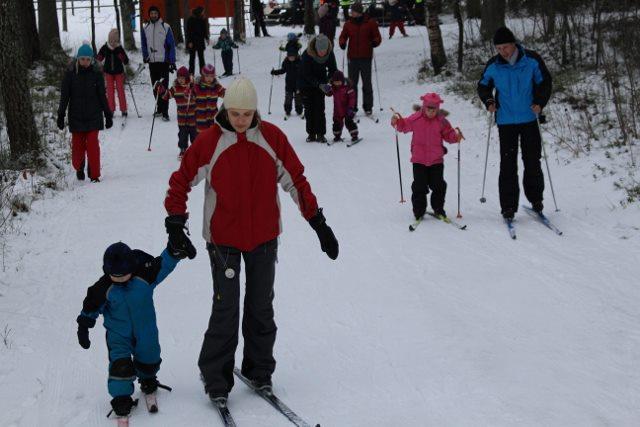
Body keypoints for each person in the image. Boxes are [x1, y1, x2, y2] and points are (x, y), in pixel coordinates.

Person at [163, 77, 339, 405]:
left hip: (263, 238)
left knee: (261, 307)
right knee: (225, 308)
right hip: (223, 240)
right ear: (225, 110)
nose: (240, 120)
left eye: (246, 114)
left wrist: (318, 222)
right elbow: (182, 179)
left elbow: (296, 180)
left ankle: (260, 371)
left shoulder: (271, 137)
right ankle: (216, 377)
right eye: (235, 114)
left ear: (255, 111)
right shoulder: (209, 141)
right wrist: (175, 221)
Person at [75, 241, 189, 418]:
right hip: (118, 335)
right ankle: (121, 398)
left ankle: (148, 379)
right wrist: (84, 326)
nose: (119, 280)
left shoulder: (144, 275)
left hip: (146, 330)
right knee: (120, 366)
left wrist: (175, 250)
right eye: (115, 277)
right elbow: (90, 307)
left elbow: (163, 265)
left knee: (149, 358)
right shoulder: (103, 288)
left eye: (123, 276)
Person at [477, 26, 552, 220]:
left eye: (505, 47)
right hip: (506, 121)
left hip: (529, 118)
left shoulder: (531, 60)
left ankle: (536, 200)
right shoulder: (494, 65)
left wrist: (540, 103)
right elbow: (483, 86)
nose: (503, 51)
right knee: (508, 164)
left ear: (513, 44)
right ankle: (508, 206)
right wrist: (489, 101)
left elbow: (545, 82)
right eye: (499, 48)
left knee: (532, 161)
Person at [391, 93, 462, 219]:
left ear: (437, 109)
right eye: (428, 108)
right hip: (419, 160)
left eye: (434, 109)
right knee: (419, 186)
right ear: (424, 107)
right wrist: (398, 122)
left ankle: (438, 208)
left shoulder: (442, 121)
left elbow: (448, 134)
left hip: (436, 160)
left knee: (439, 185)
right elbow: (405, 125)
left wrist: (455, 136)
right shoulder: (416, 118)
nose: (431, 111)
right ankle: (419, 210)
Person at [57, 43, 112, 183]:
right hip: (76, 117)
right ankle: (79, 166)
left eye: (88, 59)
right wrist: (61, 115)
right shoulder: (70, 75)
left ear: (92, 60)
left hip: (94, 116)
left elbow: (102, 95)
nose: (85, 62)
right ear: (77, 59)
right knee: (77, 148)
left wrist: (108, 114)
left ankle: (94, 174)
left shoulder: (97, 74)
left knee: (93, 146)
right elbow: (64, 96)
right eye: (82, 59)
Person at [338, 2, 382, 116]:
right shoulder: (348, 24)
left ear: (359, 12)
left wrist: (375, 42)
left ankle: (368, 107)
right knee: (352, 84)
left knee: (367, 83)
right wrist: (342, 43)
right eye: (351, 11)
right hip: (352, 58)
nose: (351, 13)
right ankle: (352, 107)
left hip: (366, 57)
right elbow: (343, 36)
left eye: (353, 11)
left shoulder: (370, 23)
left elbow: (377, 36)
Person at [298, 34, 338, 142]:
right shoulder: (307, 54)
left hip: (321, 84)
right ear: (316, 48)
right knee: (309, 109)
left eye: (324, 50)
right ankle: (311, 133)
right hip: (306, 84)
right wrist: (319, 84)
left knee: (320, 109)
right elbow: (306, 74)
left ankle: (320, 133)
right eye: (320, 51)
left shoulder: (329, 53)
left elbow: (333, 69)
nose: (322, 53)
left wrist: (330, 80)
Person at [141, 6, 177, 121]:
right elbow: (144, 44)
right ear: (149, 15)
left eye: (155, 13)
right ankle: (159, 109)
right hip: (152, 62)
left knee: (164, 87)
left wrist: (171, 61)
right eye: (151, 13)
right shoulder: (145, 28)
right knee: (155, 86)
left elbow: (171, 45)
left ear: (158, 14)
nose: (153, 15)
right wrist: (145, 56)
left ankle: (165, 112)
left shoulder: (165, 27)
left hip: (163, 62)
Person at [160, 66, 197, 158]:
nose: (180, 80)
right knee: (182, 136)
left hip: (193, 118)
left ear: (187, 78)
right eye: (179, 78)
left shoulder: (192, 87)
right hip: (182, 119)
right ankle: (183, 150)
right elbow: (166, 96)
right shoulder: (175, 88)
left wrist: (194, 89)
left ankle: (196, 150)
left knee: (195, 136)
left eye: (183, 78)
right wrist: (161, 91)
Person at [97, 29, 130, 118]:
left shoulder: (119, 49)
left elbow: (126, 61)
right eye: (111, 40)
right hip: (108, 73)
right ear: (109, 39)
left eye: (115, 41)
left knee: (120, 91)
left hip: (119, 73)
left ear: (118, 41)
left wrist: (121, 56)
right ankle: (111, 110)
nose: (113, 43)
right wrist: (99, 57)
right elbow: (99, 58)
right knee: (110, 91)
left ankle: (124, 110)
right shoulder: (105, 47)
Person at [270, 44, 303, 117]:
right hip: (289, 84)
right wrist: (274, 72)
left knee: (298, 98)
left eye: (292, 57)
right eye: (289, 57)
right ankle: (287, 110)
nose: (291, 58)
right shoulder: (286, 62)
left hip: (298, 84)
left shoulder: (300, 62)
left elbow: (304, 71)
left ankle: (299, 110)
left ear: (296, 55)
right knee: (288, 97)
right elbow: (283, 70)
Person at [327, 70, 359, 142]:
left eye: (339, 82)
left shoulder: (348, 87)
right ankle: (337, 135)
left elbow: (352, 98)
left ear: (342, 80)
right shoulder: (333, 87)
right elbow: (328, 93)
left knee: (349, 122)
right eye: (336, 82)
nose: (337, 84)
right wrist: (326, 87)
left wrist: (351, 107)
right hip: (337, 110)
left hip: (348, 109)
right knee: (336, 123)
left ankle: (354, 135)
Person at [194, 64, 226, 133]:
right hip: (200, 118)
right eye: (207, 76)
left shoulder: (216, 86)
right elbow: (190, 96)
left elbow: (224, 93)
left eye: (211, 76)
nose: (209, 78)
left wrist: (233, 93)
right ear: (203, 75)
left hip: (212, 118)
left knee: (213, 136)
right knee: (201, 137)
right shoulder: (197, 86)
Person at [186, 6, 210, 75]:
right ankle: (191, 73)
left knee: (201, 58)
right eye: (202, 11)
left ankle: (203, 72)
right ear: (199, 12)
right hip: (192, 42)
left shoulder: (202, 19)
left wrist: (207, 38)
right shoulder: (190, 19)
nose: (203, 13)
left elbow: (204, 30)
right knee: (192, 58)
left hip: (200, 41)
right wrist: (189, 41)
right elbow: (188, 31)